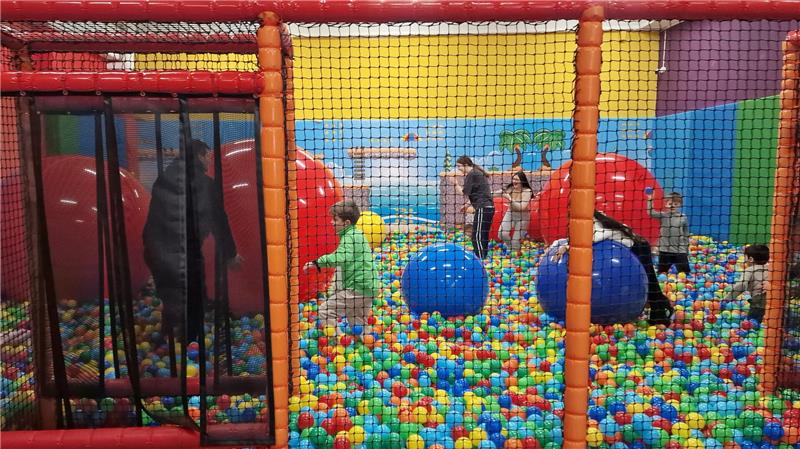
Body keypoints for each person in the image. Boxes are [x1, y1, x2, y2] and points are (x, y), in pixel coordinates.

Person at [143, 139, 242, 344]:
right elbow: (219, 221)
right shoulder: (205, 184)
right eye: (207, 156)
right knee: (194, 294)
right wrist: (230, 254)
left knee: (171, 292)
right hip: (184, 251)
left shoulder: (164, 178)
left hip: (155, 248)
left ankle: (168, 334)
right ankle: (191, 345)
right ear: (198, 156)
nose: (209, 161)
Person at [551, 211, 673, 326]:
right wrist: (560, 245)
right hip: (634, 247)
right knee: (650, 281)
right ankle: (661, 307)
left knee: (650, 281)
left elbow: (590, 238)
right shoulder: (594, 217)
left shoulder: (594, 221)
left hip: (638, 248)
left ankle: (661, 311)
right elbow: (578, 237)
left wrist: (567, 247)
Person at [303, 200, 379, 335]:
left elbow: (341, 256)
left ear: (347, 223)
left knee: (325, 311)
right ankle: (369, 346)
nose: (332, 222)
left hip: (357, 288)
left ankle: (338, 341)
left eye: (335, 219)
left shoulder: (350, 237)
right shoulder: (357, 234)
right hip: (369, 288)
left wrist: (317, 262)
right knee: (357, 321)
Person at [456, 156, 494, 260]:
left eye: (459, 166)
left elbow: (464, 193)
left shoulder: (472, 174)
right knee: (483, 234)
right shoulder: (476, 172)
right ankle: (483, 255)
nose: (458, 168)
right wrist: (467, 205)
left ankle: (480, 257)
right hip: (488, 207)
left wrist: (455, 184)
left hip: (483, 207)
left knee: (476, 235)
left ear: (465, 165)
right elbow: (478, 192)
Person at [647, 191, 691, 274]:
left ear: (679, 205)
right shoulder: (663, 215)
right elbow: (651, 212)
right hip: (665, 249)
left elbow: (686, 233)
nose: (672, 206)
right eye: (670, 203)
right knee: (662, 272)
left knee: (685, 272)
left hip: (679, 250)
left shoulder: (683, 217)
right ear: (666, 204)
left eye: (675, 204)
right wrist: (650, 199)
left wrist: (686, 247)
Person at [724, 244, 769, 322]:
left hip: (759, 303)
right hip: (773, 301)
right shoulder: (771, 269)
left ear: (751, 259)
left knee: (753, 323)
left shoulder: (750, 270)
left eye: (745, 257)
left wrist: (728, 298)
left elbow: (741, 285)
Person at [499, 171, 533, 253]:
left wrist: (510, 199)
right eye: (513, 179)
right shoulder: (510, 188)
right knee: (502, 234)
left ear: (522, 181)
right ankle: (510, 247)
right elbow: (497, 193)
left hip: (523, 217)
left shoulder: (527, 191)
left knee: (515, 241)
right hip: (510, 214)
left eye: (517, 179)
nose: (514, 181)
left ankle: (514, 256)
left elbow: (522, 207)